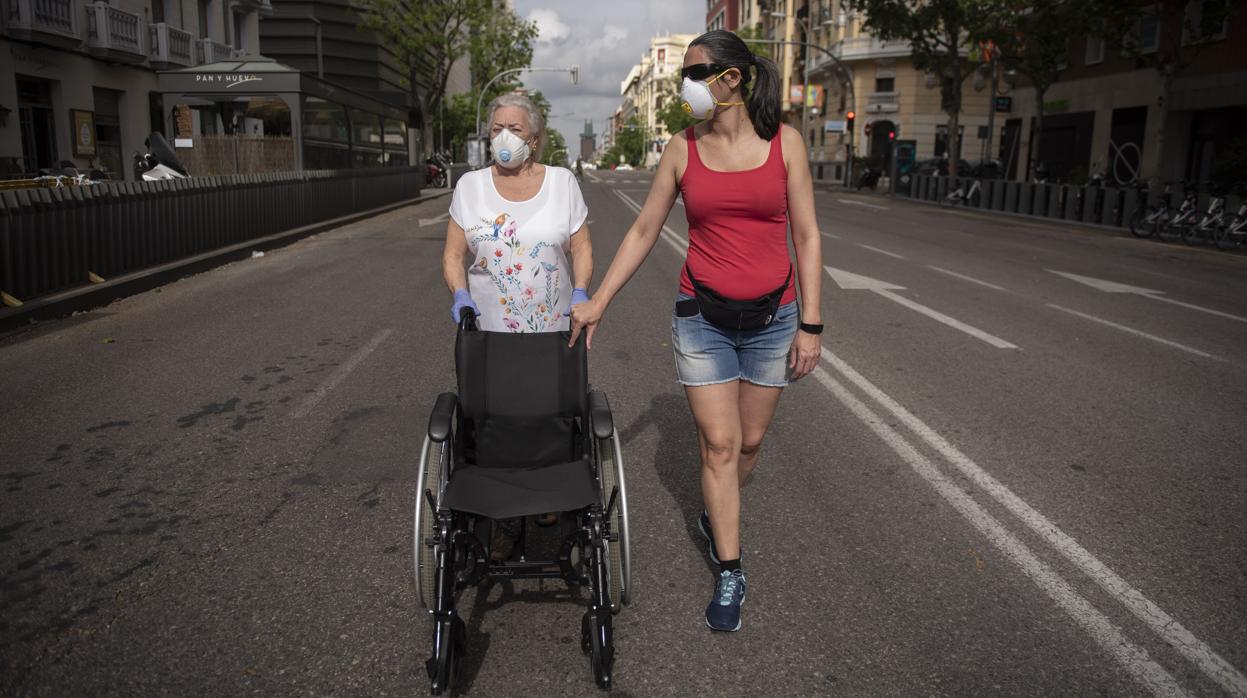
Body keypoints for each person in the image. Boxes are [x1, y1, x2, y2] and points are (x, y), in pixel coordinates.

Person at [569, 30, 822, 632]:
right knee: (719, 445)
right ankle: (731, 568)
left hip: (773, 318)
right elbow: (643, 231)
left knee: (751, 443)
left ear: (731, 78)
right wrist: (599, 300)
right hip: (702, 317)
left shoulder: (786, 144)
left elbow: (807, 236)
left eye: (694, 73)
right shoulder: (682, 149)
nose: (685, 86)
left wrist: (810, 323)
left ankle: (718, 510)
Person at [442, 92, 594, 560]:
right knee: (494, 422)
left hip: (552, 331)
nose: (504, 138)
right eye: (496, 129)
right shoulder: (469, 187)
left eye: (515, 129)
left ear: (535, 137)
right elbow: (452, 255)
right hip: (489, 336)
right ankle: (503, 520)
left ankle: (549, 498)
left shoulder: (562, 183)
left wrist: (581, 291)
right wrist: (460, 294)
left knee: (548, 415)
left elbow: (582, 247)